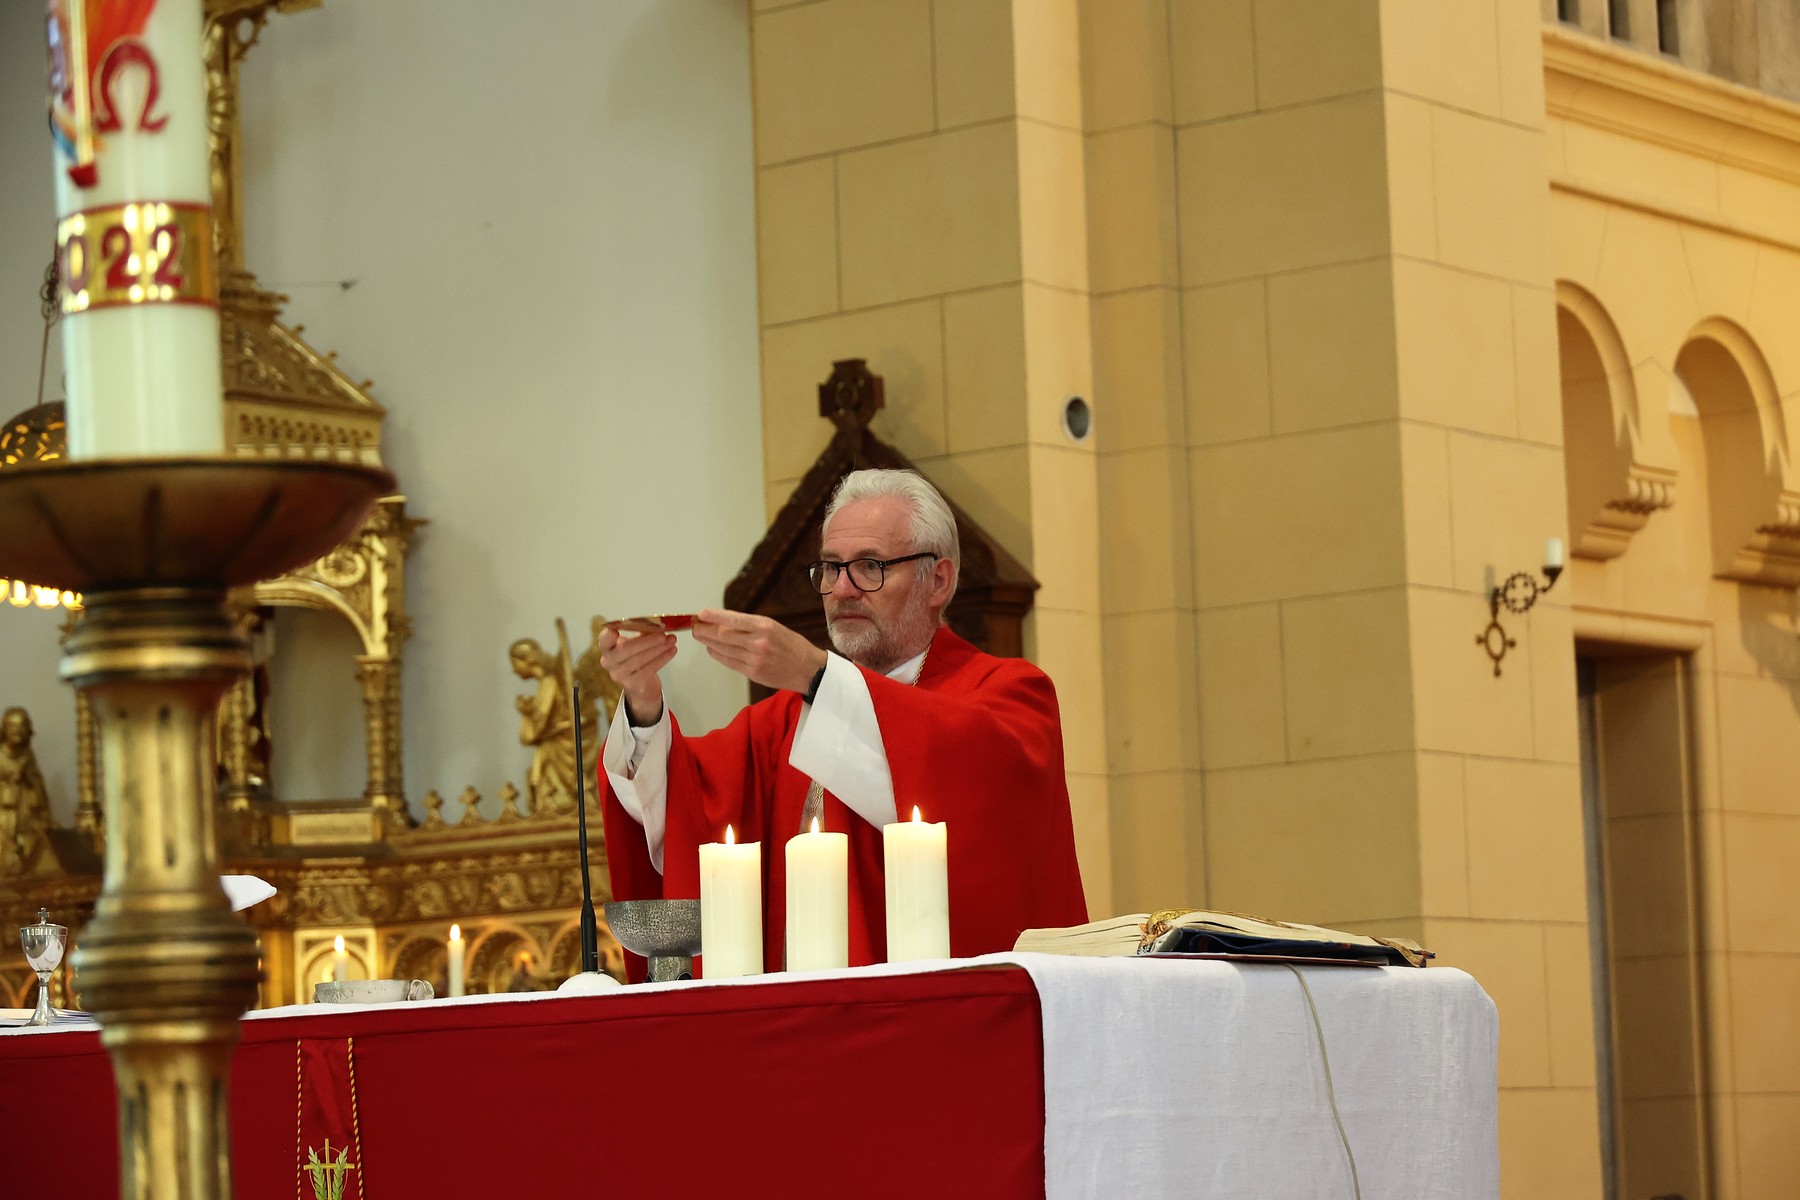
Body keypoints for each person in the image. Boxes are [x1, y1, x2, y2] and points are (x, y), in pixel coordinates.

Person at [597, 468, 1086, 971]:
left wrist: (813, 672)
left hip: (940, 1008)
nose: (843, 589)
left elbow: (975, 792)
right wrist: (644, 705)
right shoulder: (784, 721)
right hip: (799, 1010)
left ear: (937, 580)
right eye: (831, 568)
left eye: (870, 566)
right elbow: (683, 805)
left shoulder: (1011, 694)